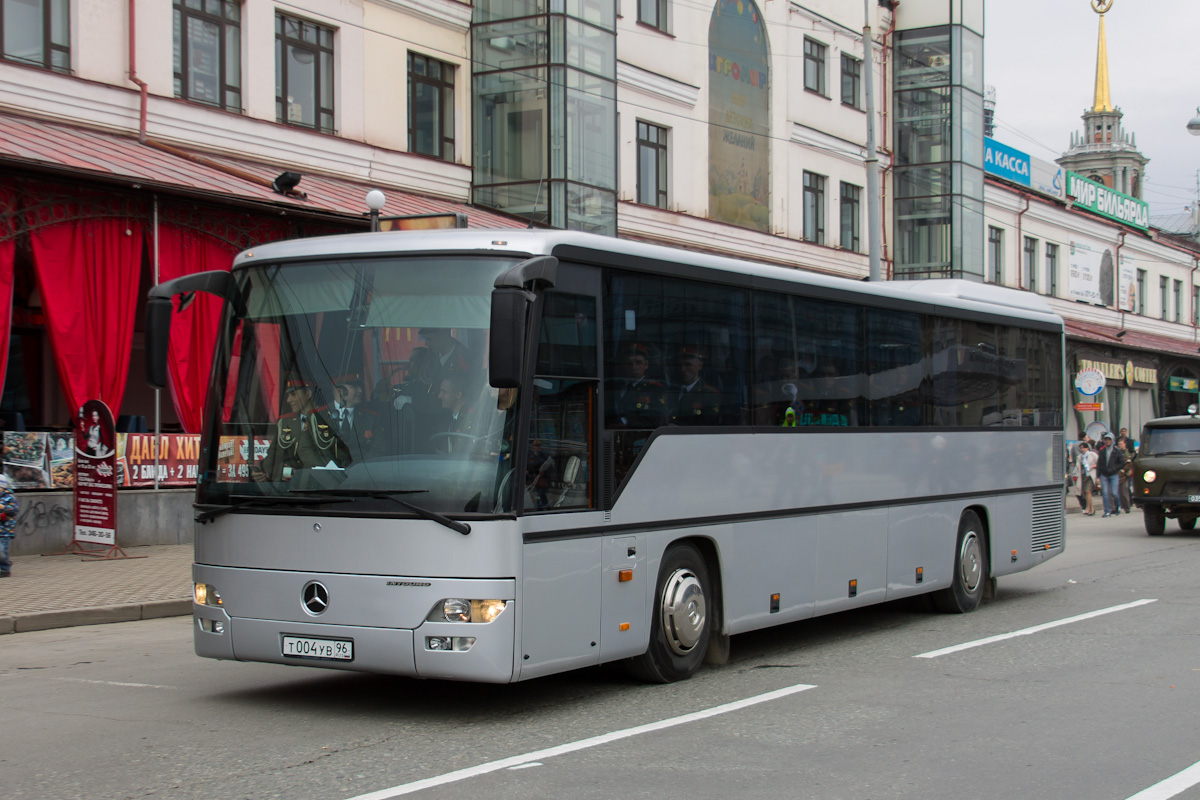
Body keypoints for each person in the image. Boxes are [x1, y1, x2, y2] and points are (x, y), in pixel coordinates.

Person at [253, 378, 348, 482]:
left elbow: (342, 458)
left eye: (293, 394)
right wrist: (268, 472)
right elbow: (273, 456)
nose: (288, 400)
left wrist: (301, 474)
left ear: (308, 394)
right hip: (293, 491)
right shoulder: (286, 422)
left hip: (324, 486)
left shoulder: (329, 419)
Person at [608, 345, 666, 429]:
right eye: (629, 363)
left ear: (646, 365)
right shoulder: (617, 387)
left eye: (638, 363)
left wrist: (626, 424)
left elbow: (657, 419)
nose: (633, 367)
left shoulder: (655, 389)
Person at [331, 373, 384, 463]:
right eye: (354, 387)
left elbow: (378, 450)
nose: (360, 390)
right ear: (340, 390)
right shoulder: (318, 415)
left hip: (360, 473)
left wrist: (357, 469)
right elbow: (308, 449)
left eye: (360, 387)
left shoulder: (372, 418)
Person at [669, 347, 721, 425]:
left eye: (687, 364)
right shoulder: (670, 390)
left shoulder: (709, 395)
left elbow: (709, 425)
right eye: (680, 365)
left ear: (699, 365)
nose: (682, 369)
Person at [1096, 432, 1126, 518]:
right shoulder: (1102, 451)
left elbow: (1121, 463)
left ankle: (1117, 506)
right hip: (1104, 474)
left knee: (1114, 493)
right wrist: (1098, 476)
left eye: (1109, 439)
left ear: (1112, 440)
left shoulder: (1116, 451)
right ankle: (1107, 511)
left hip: (1113, 474)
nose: (1107, 441)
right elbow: (1099, 464)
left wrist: (1115, 469)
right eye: (1106, 439)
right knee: (1105, 493)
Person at [526, 439, 555, 511]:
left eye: (538, 446)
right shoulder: (530, 455)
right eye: (535, 446)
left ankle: (541, 508)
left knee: (541, 493)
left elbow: (548, 466)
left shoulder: (544, 456)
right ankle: (544, 506)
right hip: (533, 477)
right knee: (540, 494)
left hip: (542, 478)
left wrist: (543, 472)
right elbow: (529, 466)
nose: (537, 448)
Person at [0, 449, 15, 577]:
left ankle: (5, 568)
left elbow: (14, 511)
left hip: (5, 530)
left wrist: (3, 507)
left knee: (2, 550)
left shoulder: (9, 497)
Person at [1076, 442, 1098, 516]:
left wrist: (1094, 466)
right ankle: (1092, 508)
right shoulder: (1080, 457)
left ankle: (1088, 508)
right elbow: (1077, 467)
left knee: (1088, 491)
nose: (1082, 449)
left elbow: (1099, 462)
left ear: (1087, 448)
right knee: (1085, 492)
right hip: (1083, 475)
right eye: (1081, 448)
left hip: (1090, 475)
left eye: (1083, 448)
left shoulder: (1092, 455)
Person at [1117, 437, 1134, 514]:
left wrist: (1124, 470)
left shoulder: (1128, 452)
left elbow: (1129, 463)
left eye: (1121, 444)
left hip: (1126, 474)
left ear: (1124, 444)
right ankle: (1120, 505)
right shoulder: (1117, 452)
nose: (1119, 445)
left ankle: (1127, 506)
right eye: (1118, 444)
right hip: (1118, 473)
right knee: (1118, 491)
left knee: (1125, 490)